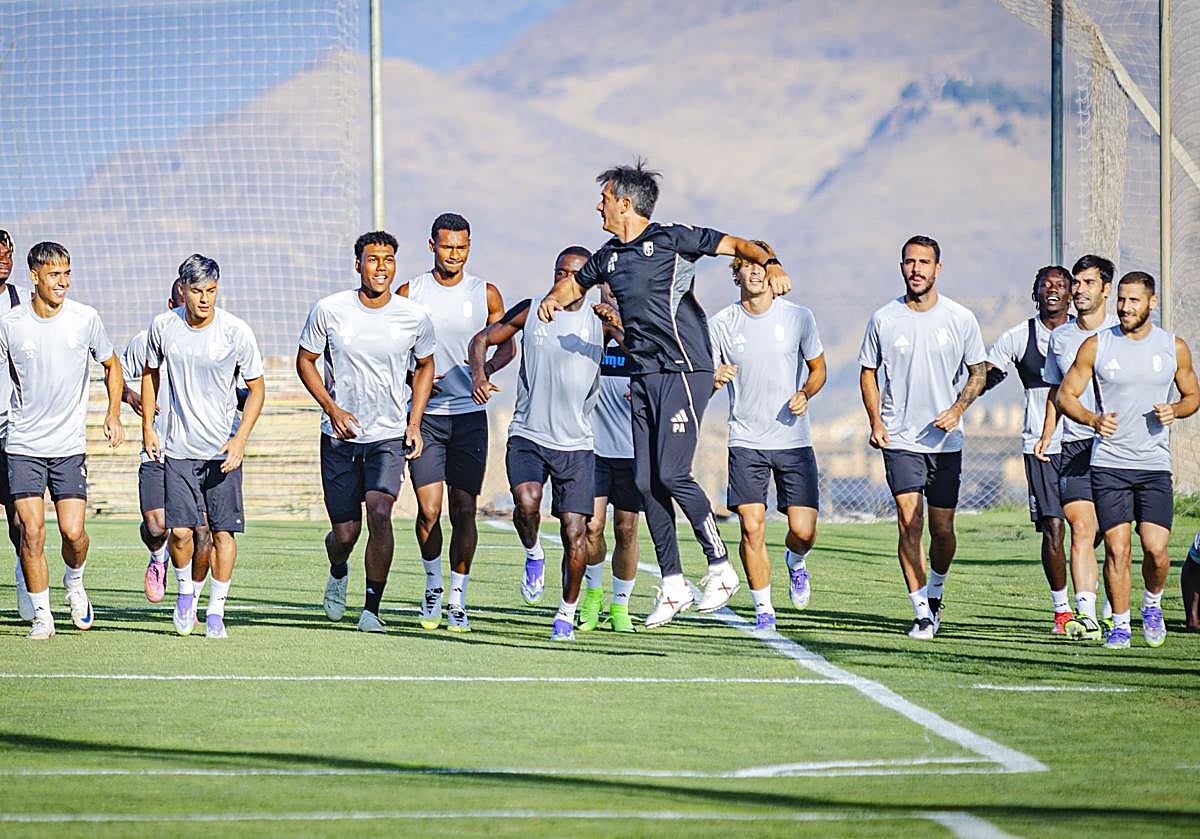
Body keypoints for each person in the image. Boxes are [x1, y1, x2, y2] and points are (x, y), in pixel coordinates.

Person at [536, 159, 791, 629]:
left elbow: (735, 244)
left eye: (606, 199)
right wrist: (555, 298)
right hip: (644, 375)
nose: (600, 205)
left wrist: (769, 262)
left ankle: (720, 568)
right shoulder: (608, 255)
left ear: (626, 204)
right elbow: (576, 282)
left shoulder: (673, 239)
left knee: (673, 474)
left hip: (685, 369)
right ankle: (673, 583)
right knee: (646, 482)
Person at [469, 246, 621, 641]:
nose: (562, 280)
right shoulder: (532, 309)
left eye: (571, 274)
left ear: (585, 281)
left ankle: (565, 616)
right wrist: (479, 377)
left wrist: (618, 325)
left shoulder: (597, 321)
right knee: (528, 502)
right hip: (528, 434)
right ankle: (533, 552)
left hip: (576, 445)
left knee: (575, 533)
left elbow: (642, 350)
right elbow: (481, 340)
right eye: (558, 272)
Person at [298, 231, 436, 633]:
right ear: (357, 264)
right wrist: (331, 408)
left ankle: (372, 610)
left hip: (387, 437)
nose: (381, 267)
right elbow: (305, 360)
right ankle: (338, 571)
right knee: (345, 533)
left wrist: (414, 421)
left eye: (389, 259)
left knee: (380, 512)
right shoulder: (329, 310)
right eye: (373, 259)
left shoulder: (413, 316)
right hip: (339, 437)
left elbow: (426, 365)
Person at [1056, 271, 1198, 650]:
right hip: (1109, 464)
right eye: (1121, 299)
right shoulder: (1096, 345)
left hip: (1153, 465)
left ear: (1152, 303)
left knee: (1156, 549)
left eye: (1134, 301)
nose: (1125, 307)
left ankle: (1152, 605)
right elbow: (1066, 395)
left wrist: (1176, 410)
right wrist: (1092, 419)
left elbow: (1192, 395)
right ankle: (1119, 625)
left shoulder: (1173, 347)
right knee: (1117, 548)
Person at [858, 235, 987, 640]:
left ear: (937, 269)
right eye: (909, 262)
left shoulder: (960, 318)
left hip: (946, 444)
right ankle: (920, 614)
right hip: (900, 440)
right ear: (901, 268)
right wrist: (877, 422)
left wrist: (957, 410)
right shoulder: (883, 318)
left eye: (924, 262)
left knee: (942, 532)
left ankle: (935, 593)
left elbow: (978, 372)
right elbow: (868, 372)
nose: (916, 269)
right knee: (909, 523)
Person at [0, 241, 125, 639]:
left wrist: (112, 413)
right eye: (55, 274)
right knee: (31, 532)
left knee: (72, 532)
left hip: (69, 448)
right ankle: (42, 616)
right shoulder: (11, 324)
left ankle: (74, 582)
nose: (63, 282)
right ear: (34, 276)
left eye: (67, 273)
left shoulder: (85, 318)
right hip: (22, 445)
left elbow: (111, 364)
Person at [398, 213, 514, 633]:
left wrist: (484, 374)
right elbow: (397, 351)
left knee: (464, 511)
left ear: (469, 246)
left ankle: (458, 597)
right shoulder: (411, 292)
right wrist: (419, 380)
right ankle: (432, 587)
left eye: (462, 248)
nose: (454, 255)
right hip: (425, 420)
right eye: (447, 247)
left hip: (468, 420)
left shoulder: (484, 293)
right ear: (432, 245)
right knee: (429, 511)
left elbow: (506, 346)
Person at [142, 254, 265, 639]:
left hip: (221, 452)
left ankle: (215, 612)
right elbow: (150, 374)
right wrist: (148, 426)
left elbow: (258, 388)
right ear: (183, 290)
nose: (205, 299)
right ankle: (184, 595)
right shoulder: (164, 326)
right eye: (197, 291)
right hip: (178, 448)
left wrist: (240, 439)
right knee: (179, 532)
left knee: (222, 534)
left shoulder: (236, 331)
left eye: (211, 291)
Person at [709, 240, 826, 631]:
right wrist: (713, 378)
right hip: (746, 440)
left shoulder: (799, 317)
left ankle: (796, 561)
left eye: (762, 265)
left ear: (772, 271)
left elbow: (818, 369)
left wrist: (805, 393)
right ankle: (764, 610)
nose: (755, 271)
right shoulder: (722, 324)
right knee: (751, 526)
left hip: (793, 441)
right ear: (736, 272)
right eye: (746, 264)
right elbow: (703, 378)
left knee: (802, 531)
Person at [981, 265, 1073, 633]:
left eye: (1060, 285)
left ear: (1071, 293)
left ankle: (1093, 603)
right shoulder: (1019, 337)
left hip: (1087, 441)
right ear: (1034, 292)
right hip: (1041, 444)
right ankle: (1063, 610)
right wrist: (958, 399)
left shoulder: (1089, 335)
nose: (1053, 290)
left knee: (1092, 528)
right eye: (1045, 285)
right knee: (1054, 526)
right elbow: (988, 373)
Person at [1036, 254, 1119, 640]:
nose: (1078, 290)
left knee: (1118, 534)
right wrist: (1047, 433)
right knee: (1081, 526)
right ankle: (1085, 615)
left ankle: (1117, 608)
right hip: (1076, 444)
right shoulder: (1061, 338)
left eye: (1087, 283)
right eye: (1077, 283)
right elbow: (1058, 390)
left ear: (1105, 288)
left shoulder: (1125, 333)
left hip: (1121, 447)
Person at [121, 278, 214, 604]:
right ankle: (157, 557)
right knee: (158, 525)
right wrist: (131, 395)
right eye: (183, 299)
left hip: (200, 450)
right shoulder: (148, 339)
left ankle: (191, 598)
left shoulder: (215, 341)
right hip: (159, 447)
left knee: (201, 530)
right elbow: (113, 372)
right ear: (173, 301)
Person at [581, 286, 641, 634]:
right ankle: (592, 597)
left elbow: (650, 365)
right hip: (592, 448)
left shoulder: (639, 331)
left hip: (632, 450)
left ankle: (620, 605)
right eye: (607, 287)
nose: (613, 293)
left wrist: (617, 328)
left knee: (627, 529)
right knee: (591, 526)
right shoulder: (587, 328)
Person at [0, 230, 29, 619]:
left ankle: (28, 579)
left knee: (20, 515)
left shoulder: (24, 303)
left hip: (13, 424)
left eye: (8, 254)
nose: (4, 259)